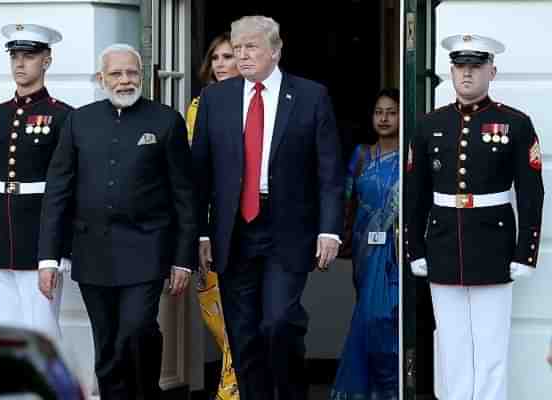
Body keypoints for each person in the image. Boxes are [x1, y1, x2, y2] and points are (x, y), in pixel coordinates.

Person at [191, 15, 344, 400]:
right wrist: (202, 231)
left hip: (286, 227)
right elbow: (201, 173)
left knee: (278, 322)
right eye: (237, 48)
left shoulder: (311, 96)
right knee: (242, 334)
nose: (241, 56)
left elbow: (329, 171)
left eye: (251, 47)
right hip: (233, 230)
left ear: (275, 51)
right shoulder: (215, 99)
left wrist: (329, 229)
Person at [37, 44, 197, 400]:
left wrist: (182, 258)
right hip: (92, 251)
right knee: (106, 343)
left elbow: (185, 196)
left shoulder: (165, 120)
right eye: (116, 73)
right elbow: (58, 192)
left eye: (132, 73)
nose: (125, 80)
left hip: (148, 248)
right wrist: (47, 258)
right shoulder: (79, 121)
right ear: (101, 78)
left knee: (136, 330)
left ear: (141, 76)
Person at [405, 34, 544, 400]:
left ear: (491, 71)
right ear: (451, 71)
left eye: (476, 67)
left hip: (493, 244)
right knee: (450, 345)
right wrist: (414, 248)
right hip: (443, 242)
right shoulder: (428, 125)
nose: (467, 74)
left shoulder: (515, 123)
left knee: (491, 345)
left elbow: (531, 194)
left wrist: (524, 252)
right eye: (460, 67)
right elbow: (415, 194)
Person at [0, 23, 73, 343]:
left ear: (47, 60)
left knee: (42, 330)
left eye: (29, 55)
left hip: (40, 238)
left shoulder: (63, 116)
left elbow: (68, 187)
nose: (19, 63)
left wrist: (61, 249)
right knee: (4, 332)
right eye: (14, 56)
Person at [331, 89, 400, 400]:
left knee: (385, 318)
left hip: (398, 252)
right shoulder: (362, 155)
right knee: (367, 316)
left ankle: (391, 389)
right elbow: (346, 201)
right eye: (378, 112)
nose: (384, 118)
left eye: (391, 112)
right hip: (365, 251)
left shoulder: (410, 156)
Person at [186, 32, 240, 400]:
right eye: (215, 57)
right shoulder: (197, 106)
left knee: (242, 318)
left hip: (246, 224)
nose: (220, 64)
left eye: (227, 56)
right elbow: (192, 173)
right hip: (208, 227)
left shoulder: (261, 105)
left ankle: (230, 392)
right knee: (216, 315)